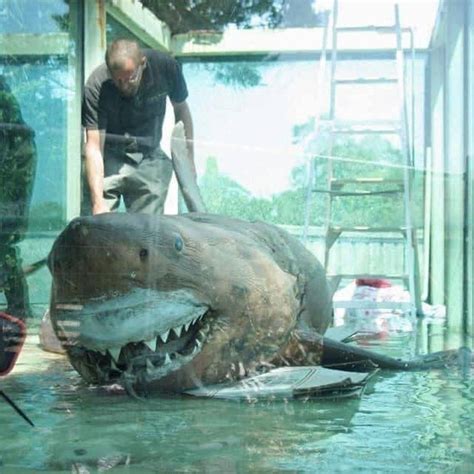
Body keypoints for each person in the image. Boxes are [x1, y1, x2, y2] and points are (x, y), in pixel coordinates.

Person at [82, 39, 196, 215]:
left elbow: (181, 110)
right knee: (94, 227)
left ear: (143, 63)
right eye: (118, 80)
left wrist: (189, 161)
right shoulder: (96, 85)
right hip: (108, 157)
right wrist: (97, 203)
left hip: (149, 156)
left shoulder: (165, 67)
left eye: (131, 78)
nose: (125, 86)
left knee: (148, 232)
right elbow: (94, 146)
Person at [0, 75, 37, 320]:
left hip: (13, 164)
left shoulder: (15, 134)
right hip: (14, 160)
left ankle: (19, 309)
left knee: (4, 240)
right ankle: (19, 308)